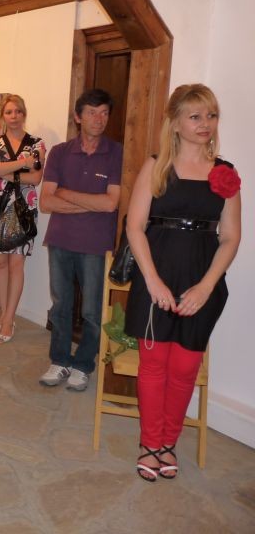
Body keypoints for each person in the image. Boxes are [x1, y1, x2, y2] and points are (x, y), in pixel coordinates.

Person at [125, 84, 241, 482]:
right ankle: (149, 443)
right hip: (155, 278)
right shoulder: (156, 167)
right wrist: (153, 281)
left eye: (211, 115)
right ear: (175, 123)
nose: (205, 123)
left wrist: (206, 286)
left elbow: (231, 237)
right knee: (153, 365)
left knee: (185, 368)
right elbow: (135, 227)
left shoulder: (225, 174)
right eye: (195, 116)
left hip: (201, 283)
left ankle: (168, 443)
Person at [38, 88, 122, 391]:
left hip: (96, 245)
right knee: (60, 305)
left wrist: (65, 193)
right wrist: (90, 203)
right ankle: (59, 360)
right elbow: (46, 202)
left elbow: (111, 203)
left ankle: (83, 364)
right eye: (92, 112)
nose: (99, 119)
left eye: (104, 113)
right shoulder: (60, 152)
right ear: (78, 116)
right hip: (60, 240)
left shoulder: (116, 152)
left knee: (92, 311)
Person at [0, 95, 46, 343]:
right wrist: (23, 164)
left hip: (23, 207)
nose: (14, 116)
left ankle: (9, 319)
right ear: (3, 116)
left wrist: (5, 170)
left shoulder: (37, 144)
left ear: (24, 113)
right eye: (9, 112)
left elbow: (35, 178)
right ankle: (3, 312)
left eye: (18, 111)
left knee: (16, 264)